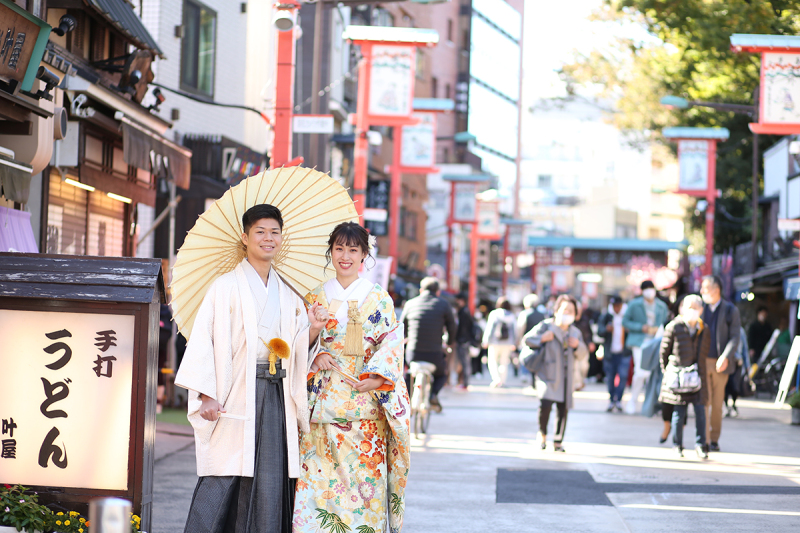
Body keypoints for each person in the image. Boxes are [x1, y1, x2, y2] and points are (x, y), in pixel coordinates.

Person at [174, 204, 326, 533]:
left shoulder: (287, 293)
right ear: (245, 237)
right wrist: (206, 395)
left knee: (271, 475)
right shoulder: (224, 286)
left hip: (276, 392)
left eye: (274, 232)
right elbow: (204, 342)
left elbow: (296, 346)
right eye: (260, 231)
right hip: (236, 392)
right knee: (225, 472)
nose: (268, 238)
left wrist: (312, 328)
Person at [294, 222, 410, 533]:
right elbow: (294, 342)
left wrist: (377, 377)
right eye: (339, 249)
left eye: (353, 250)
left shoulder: (379, 298)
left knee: (363, 486)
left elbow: (391, 340)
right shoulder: (313, 296)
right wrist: (313, 350)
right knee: (318, 483)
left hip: (364, 404)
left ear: (364, 255)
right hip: (321, 403)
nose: (345, 256)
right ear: (330, 252)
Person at [524, 294, 588, 452]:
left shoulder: (575, 333)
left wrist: (578, 346)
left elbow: (583, 354)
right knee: (545, 405)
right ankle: (542, 435)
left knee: (563, 408)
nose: (567, 314)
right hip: (548, 373)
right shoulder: (546, 326)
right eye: (565, 310)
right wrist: (542, 339)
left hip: (567, 376)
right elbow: (527, 339)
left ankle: (558, 441)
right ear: (556, 310)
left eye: (571, 311)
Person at [658, 294, 709, 459]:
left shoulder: (704, 329)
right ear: (682, 309)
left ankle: (701, 445)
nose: (693, 311)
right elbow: (663, 353)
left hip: (697, 377)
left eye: (696, 308)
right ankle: (677, 444)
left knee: (700, 412)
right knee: (679, 413)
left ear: (701, 310)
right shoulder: (674, 327)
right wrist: (668, 372)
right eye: (690, 307)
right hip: (678, 378)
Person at [402, 276, 457, 412]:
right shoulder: (443, 304)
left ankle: (406, 398)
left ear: (421, 290)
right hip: (434, 353)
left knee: (408, 372)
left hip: (413, 352)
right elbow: (452, 326)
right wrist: (449, 343)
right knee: (442, 374)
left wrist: (406, 339)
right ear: (438, 292)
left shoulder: (410, 304)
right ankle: (432, 395)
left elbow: (401, 326)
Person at [700, 274, 741, 452]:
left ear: (716, 290)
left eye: (705, 288)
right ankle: (705, 440)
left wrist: (726, 356)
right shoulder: (699, 308)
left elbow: (735, 337)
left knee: (717, 405)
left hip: (720, 363)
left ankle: (714, 438)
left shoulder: (730, 309)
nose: (702, 292)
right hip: (702, 362)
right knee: (704, 403)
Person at [622, 280, 668, 415]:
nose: (649, 291)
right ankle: (632, 401)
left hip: (657, 341)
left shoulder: (661, 306)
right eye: (646, 289)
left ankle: (652, 404)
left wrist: (658, 330)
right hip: (639, 341)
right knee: (640, 372)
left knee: (654, 374)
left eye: (651, 288)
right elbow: (625, 321)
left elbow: (665, 322)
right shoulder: (634, 304)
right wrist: (640, 327)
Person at [597, 296, 630, 412]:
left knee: (623, 376)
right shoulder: (606, 316)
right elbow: (599, 332)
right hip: (610, 353)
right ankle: (612, 400)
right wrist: (606, 329)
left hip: (624, 352)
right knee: (610, 378)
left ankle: (619, 400)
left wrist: (628, 330)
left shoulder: (627, 316)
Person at [482, 297, 518, 388]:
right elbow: (514, 330)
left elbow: (489, 328)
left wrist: (485, 340)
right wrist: (514, 343)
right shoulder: (511, 315)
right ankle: (502, 380)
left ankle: (496, 379)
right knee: (504, 362)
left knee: (492, 361)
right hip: (508, 343)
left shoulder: (494, 314)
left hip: (495, 342)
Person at [517, 294, 545, 385]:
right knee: (536, 359)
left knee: (525, 358)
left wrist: (518, 340)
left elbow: (520, 328)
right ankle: (533, 380)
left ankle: (524, 375)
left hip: (527, 341)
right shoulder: (541, 315)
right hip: (538, 341)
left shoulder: (524, 314)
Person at [455, 293, 476, 390]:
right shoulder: (466, 311)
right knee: (465, 362)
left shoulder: (463, 312)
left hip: (463, 340)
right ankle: (464, 382)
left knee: (464, 362)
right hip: (465, 340)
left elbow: (462, 328)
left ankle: (465, 382)